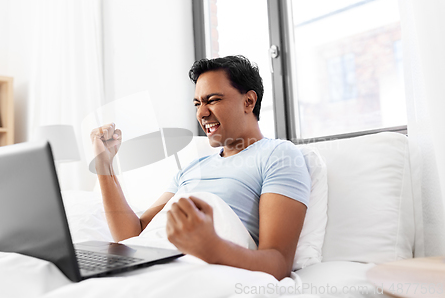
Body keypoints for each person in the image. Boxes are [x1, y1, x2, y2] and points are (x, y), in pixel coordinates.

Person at [90, 55, 310, 281]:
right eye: (197, 104)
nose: (201, 113)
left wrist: (211, 246)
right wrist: (104, 164)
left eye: (212, 100)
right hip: (155, 264)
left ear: (249, 102)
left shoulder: (279, 155)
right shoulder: (192, 169)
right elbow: (131, 235)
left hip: (201, 269)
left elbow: (278, 263)